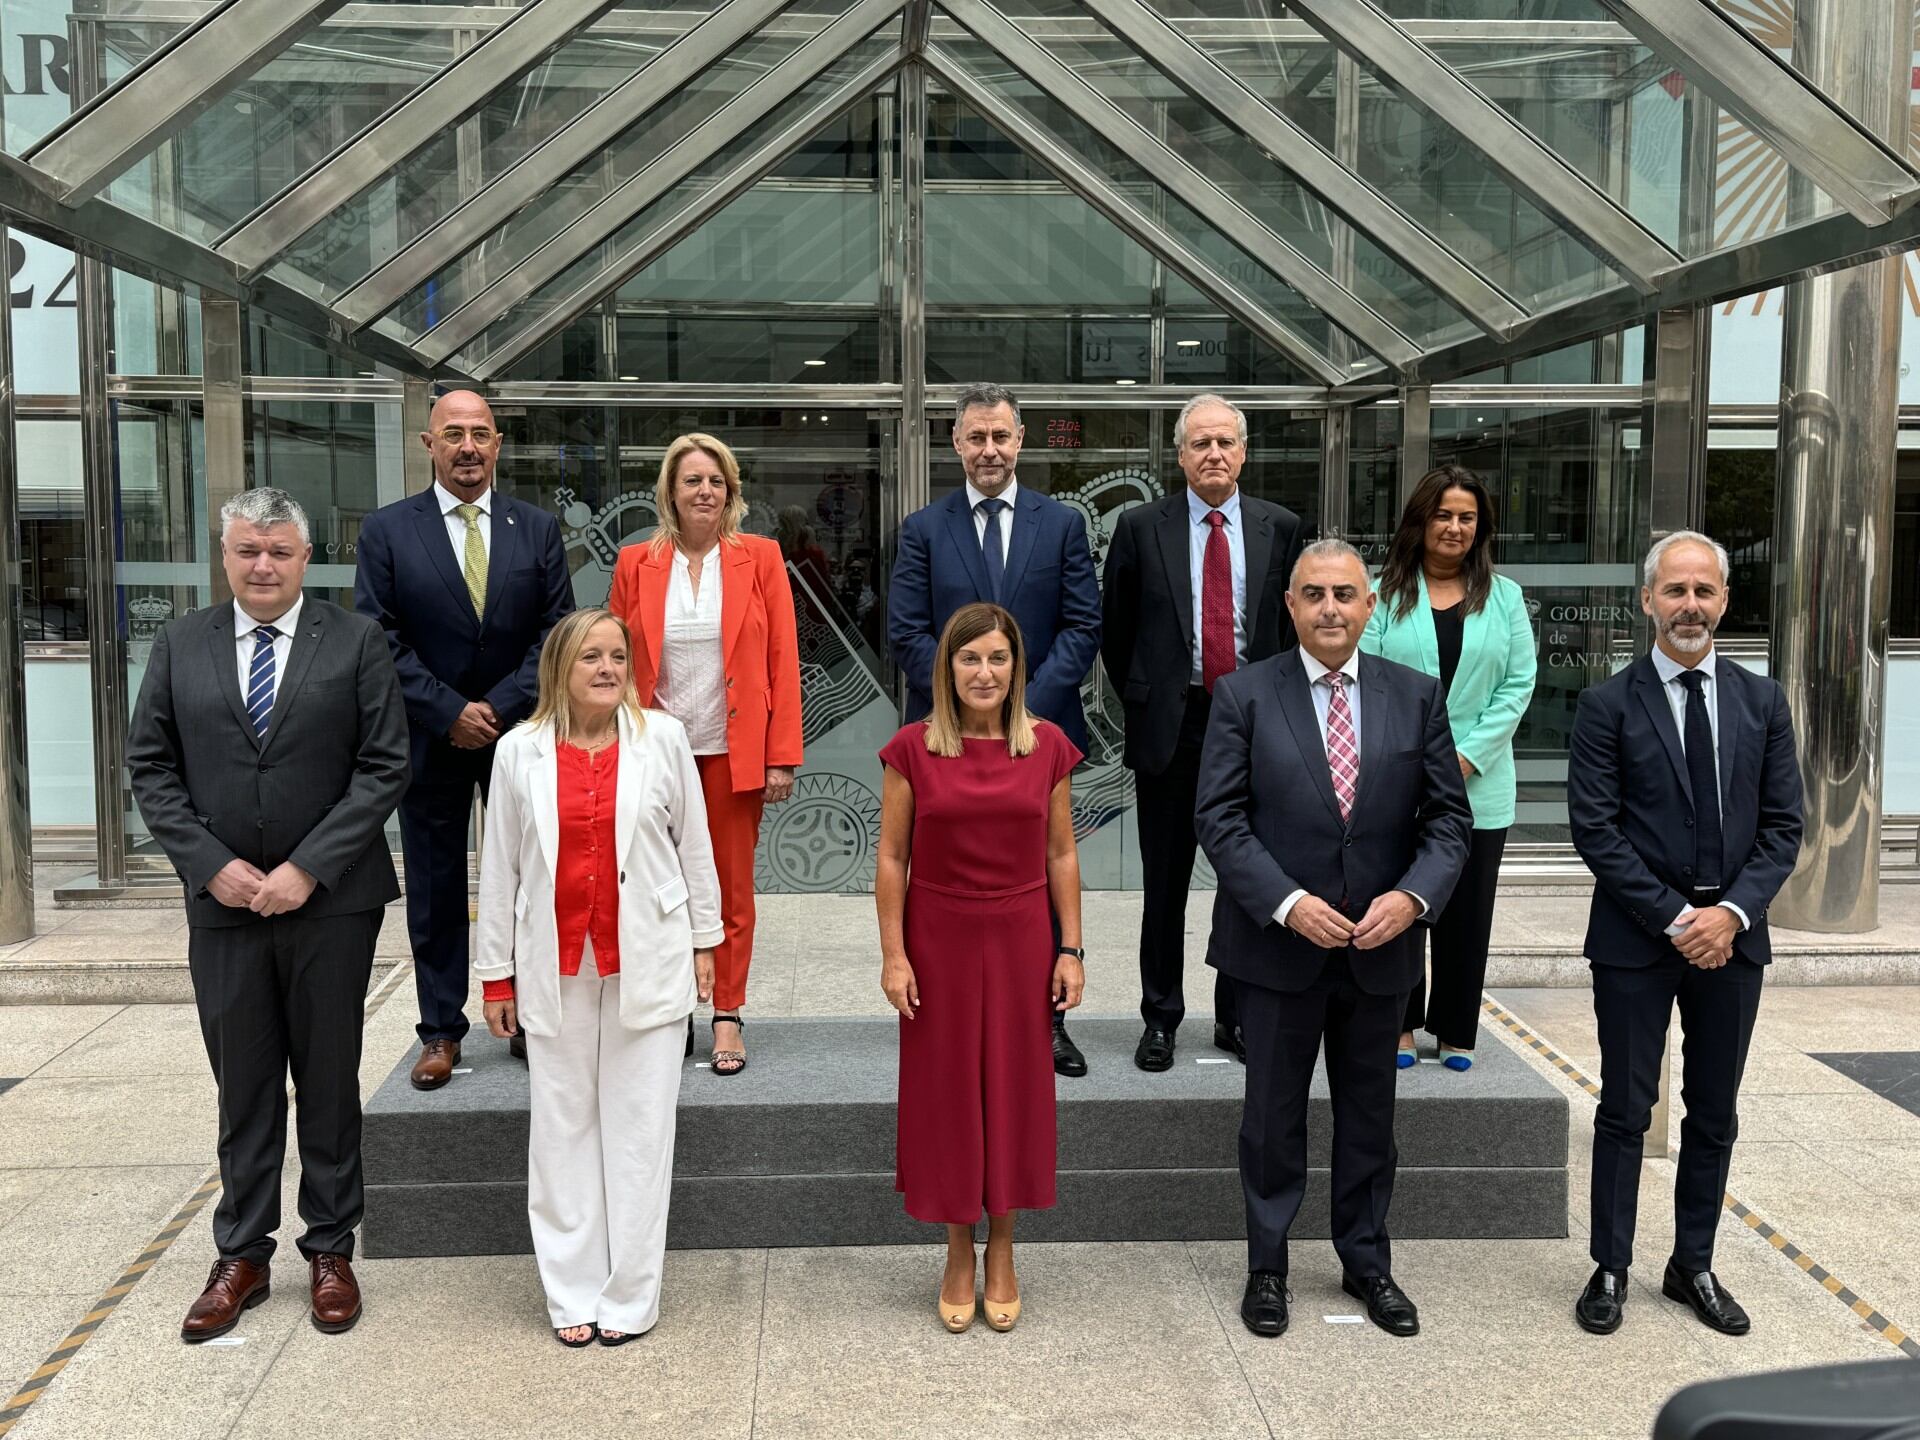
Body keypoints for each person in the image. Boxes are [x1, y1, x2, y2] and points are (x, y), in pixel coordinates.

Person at [128, 488, 410, 1343]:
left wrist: (306, 869)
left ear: (305, 557)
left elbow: (383, 765)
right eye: (248, 550)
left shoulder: (355, 641)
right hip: (223, 909)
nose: (262, 565)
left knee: (327, 1079)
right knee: (243, 1084)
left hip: (331, 904)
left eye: (279, 552)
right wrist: (210, 867)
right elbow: (151, 768)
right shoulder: (181, 645)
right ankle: (242, 1254)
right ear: (225, 556)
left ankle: (330, 1248)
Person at [1195, 540, 1470, 1342]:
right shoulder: (1243, 695)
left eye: (1345, 594)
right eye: (1313, 593)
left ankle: (1366, 1261)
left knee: (1369, 1120)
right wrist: (1286, 902)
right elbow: (1218, 817)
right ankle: (1268, 1266)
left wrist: (1413, 899)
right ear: (1289, 605)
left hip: (1380, 948)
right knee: (1271, 1119)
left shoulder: (1416, 697)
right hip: (1279, 951)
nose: (1329, 608)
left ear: (1369, 605)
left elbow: (1448, 821)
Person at [1568, 531, 1802, 1339]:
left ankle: (1691, 1263)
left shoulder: (1762, 703)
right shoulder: (1605, 706)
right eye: (1675, 591)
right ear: (1647, 600)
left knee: (1714, 1109)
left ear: (1725, 601)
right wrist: (1676, 919)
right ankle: (1610, 1265)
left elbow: (1783, 826)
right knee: (1626, 1108)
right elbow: (1596, 833)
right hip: (1636, 939)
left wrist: (1729, 916)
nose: (1690, 605)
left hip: (1733, 942)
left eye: (1704, 591)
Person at [474, 608, 723, 1347]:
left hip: (647, 953)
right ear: (560, 667)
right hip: (555, 964)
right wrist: (496, 976)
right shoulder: (519, 751)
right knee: (562, 1133)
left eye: (619, 655)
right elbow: (499, 870)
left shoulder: (665, 740)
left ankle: (630, 1297)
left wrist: (706, 942)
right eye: (592, 657)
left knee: (642, 1132)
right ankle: (572, 1291)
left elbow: (696, 849)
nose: (609, 668)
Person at [876, 602, 1085, 1334]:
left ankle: (1003, 1247)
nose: (985, 672)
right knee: (948, 1097)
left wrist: (1072, 948)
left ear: (1016, 668)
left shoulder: (1048, 746)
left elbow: (1061, 853)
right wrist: (894, 954)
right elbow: (892, 858)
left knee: (1014, 1095)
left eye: (998, 658)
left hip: (1024, 935)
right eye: (971, 659)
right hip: (939, 939)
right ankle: (957, 1248)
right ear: (948, 669)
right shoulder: (912, 749)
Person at [355, 389, 574, 1088]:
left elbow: (557, 633)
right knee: (436, 887)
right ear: (429, 445)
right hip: (430, 737)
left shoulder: (536, 528)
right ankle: (440, 1030)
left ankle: (525, 1017)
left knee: (528, 883)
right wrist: (448, 708)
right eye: (453, 434)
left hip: (519, 738)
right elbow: (378, 635)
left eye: (480, 433)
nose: (468, 447)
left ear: (499, 443)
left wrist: (502, 706)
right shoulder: (388, 531)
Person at [887, 383, 1100, 1078]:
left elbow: (1081, 625)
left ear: (1020, 440)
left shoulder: (1061, 525)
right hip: (948, 739)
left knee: (1039, 872)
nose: (989, 450)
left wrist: (1021, 708)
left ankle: (1050, 1021)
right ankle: (949, 1013)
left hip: (1037, 734)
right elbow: (907, 632)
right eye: (976, 437)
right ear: (955, 443)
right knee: (955, 879)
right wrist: (968, 704)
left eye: (1000, 436)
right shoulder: (923, 528)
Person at [1103, 393, 1308, 1073]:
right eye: (1200, 444)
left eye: (1225, 442)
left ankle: (1236, 1015)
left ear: (1244, 452)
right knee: (1164, 883)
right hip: (1175, 722)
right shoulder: (1140, 526)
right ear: (1180, 455)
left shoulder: (1281, 526)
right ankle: (1160, 1017)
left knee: (1248, 877)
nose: (1213, 454)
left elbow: (1289, 633)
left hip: (1255, 726)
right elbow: (1117, 630)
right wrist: (1149, 699)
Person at [607, 433, 802, 1075]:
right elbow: (614, 660)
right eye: (692, 481)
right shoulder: (636, 563)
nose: (705, 492)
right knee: (658, 889)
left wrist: (781, 756)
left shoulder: (761, 558)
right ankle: (670, 1008)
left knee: (728, 889)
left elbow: (782, 659)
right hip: (654, 755)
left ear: (732, 491)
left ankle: (726, 1013)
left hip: (730, 753)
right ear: (670, 491)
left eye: (716, 481)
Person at [1361, 464, 1536, 1072]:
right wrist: (1425, 762)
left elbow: (1518, 685)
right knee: (1400, 905)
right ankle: (1401, 1024)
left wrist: (1465, 757)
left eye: (1467, 517)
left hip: (1480, 785)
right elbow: (1371, 682)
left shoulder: (1506, 597)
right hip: (1398, 780)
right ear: (1421, 520)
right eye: (1443, 515)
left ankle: (1457, 1028)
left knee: (1466, 911)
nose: (1455, 527)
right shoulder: (1382, 593)